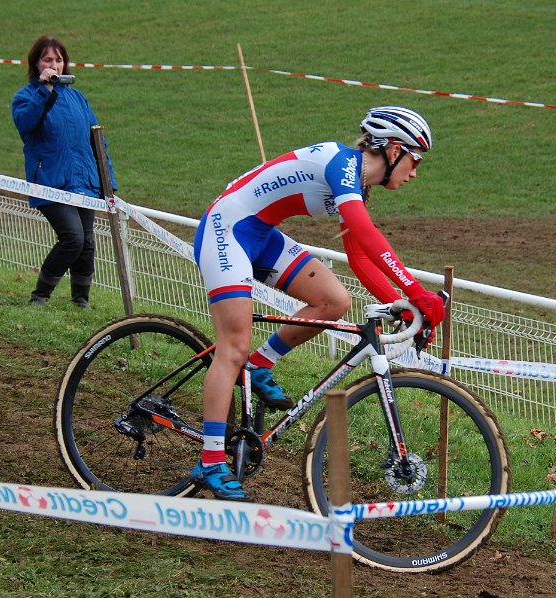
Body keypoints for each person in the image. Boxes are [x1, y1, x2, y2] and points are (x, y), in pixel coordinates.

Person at [190, 106, 447, 501]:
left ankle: (259, 365)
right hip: (226, 230)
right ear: (395, 150)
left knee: (334, 300)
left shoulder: (357, 184)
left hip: (261, 234)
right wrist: (416, 292)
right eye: (416, 160)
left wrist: (402, 305)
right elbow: (365, 232)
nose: (415, 172)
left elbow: (359, 257)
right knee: (233, 347)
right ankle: (210, 461)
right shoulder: (343, 165)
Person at [11, 35, 117, 309]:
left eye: (58, 60)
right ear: (36, 63)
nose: (54, 65)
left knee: (87, 243)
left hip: (85, 181)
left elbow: (98, 141)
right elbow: (26, 124)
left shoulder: (78, 98)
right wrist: (45, 91)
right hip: (50, 182)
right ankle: (40, 295)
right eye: (47, 59)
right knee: (73, 238)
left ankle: (81, 300)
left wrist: (108, 182)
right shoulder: (25, 97)